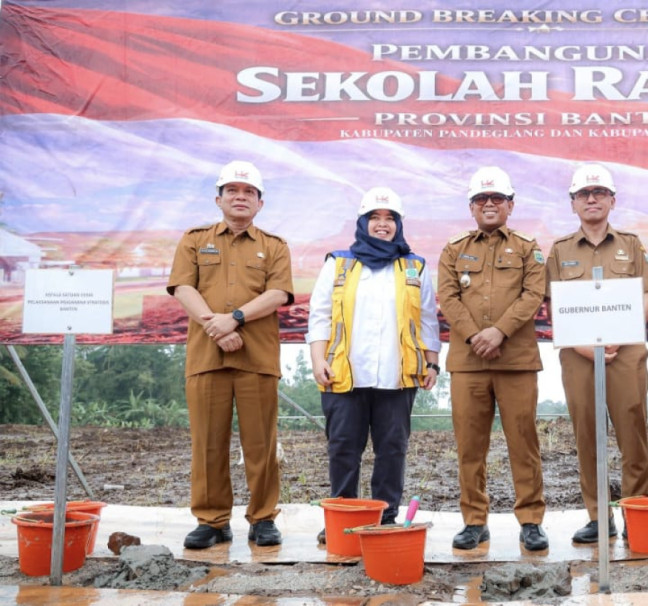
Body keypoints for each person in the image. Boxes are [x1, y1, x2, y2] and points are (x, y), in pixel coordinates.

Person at [167, 160, 294, 549]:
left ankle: (263, 518)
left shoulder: (274, 246)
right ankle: (212, 520)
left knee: (261, 444)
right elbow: (183, 288)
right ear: (218, 198)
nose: (241, 197)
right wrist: (215, 327)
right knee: (207, 442)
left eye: (249, 192)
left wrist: (234, 319)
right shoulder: (193, 239)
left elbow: (278, 294)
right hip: (207, 357)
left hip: (256, 359)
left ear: (260, 203)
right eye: (233, 191)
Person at [306, 187, 440, 543]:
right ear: (363, 223)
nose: (383, 225)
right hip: (343, 373)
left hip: (397, 376)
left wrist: (433, 363)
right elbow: (319, 316)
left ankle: (386, 516)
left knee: (392, 448)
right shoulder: (338, 262)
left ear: (398, 225)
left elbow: (428, 318)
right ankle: (342, 516)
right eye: (375, 218)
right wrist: (318, 360)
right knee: (343, 446)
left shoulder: (415, 266)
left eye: (390, 219)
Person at [437, 166, 549, 552]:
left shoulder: (527, 248)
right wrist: (474, 335)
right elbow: (448, 298)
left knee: (523, 442)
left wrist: (499, 331)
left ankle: (531, 520)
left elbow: (533, 295)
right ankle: (473, 521)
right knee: (470, 446)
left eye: (497, 199)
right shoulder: (454, 249)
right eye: (482, 199)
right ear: (472, 206)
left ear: (510, 205)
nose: (489, 204)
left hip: (515, 360)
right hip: (467, 363)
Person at [545, 164, 648, 544]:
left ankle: (637, 510)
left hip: (624, 353)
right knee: (588, 434)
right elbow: (551, 306)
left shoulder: (631, 244)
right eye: (583, 194)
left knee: (632, 433)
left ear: (612, 200)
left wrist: (619, 334)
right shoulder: (560, 251)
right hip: (578, 356)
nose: (591, 199)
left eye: (599, 193)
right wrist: (582, 344)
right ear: (573, 203)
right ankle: (599, 516)